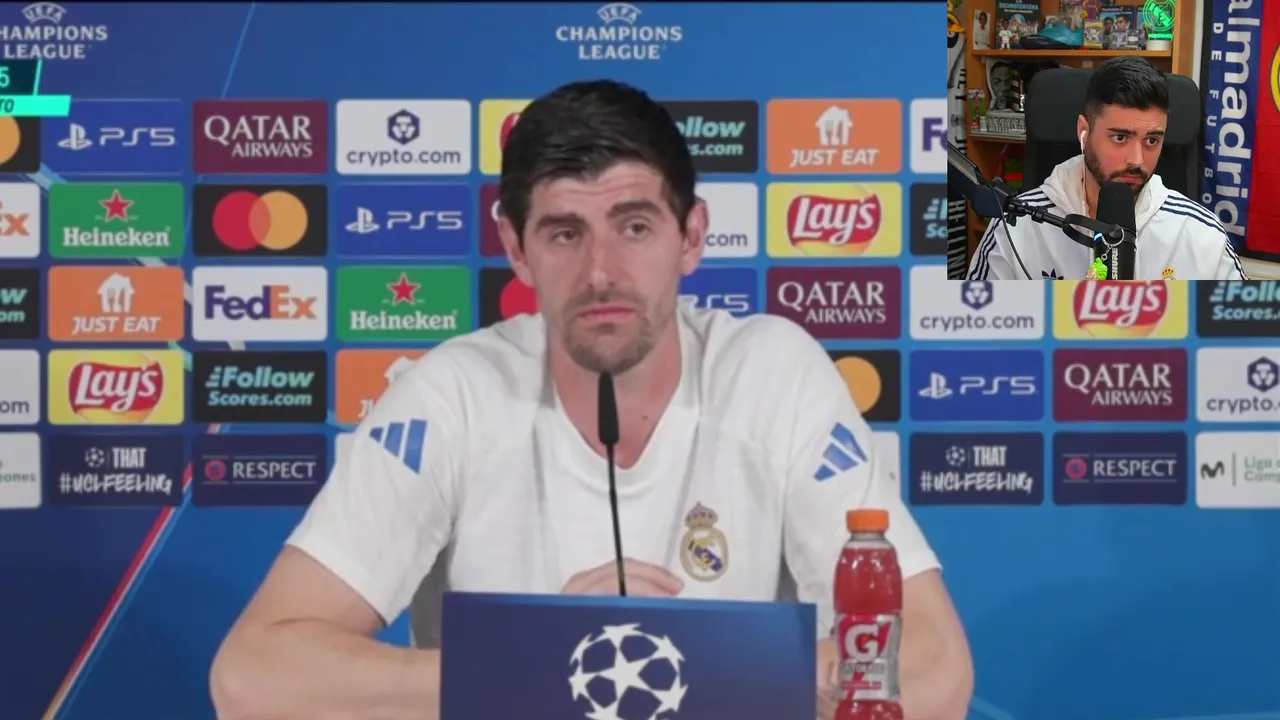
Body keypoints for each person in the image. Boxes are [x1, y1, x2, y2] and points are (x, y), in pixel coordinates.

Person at [209, 80, 974, 720]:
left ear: (692, 236)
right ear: (516, 248)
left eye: (634, 226)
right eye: (565, 233)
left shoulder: (771, 373)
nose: (602, 271)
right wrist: (540, 663)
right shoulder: (453, 394)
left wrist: (652, 662)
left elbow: (935, 668)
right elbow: (252, 677)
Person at [967, 56, 1247, 281]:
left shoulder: (1202, 234)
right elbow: (976, 329)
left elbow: (1241, 331)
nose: (1137, 160)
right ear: (1084, 132)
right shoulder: (1016, 228)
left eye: (1152, 140)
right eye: (1120, 137)